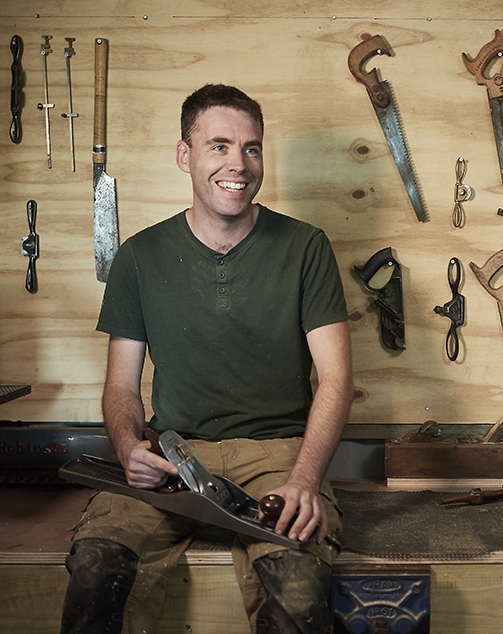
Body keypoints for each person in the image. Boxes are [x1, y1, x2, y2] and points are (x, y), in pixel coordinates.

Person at [60, 84, 354, 634]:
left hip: (279, 455)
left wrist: (305, 479)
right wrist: (129, 448)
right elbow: (121, 388)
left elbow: (337, 380)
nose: (237, 165)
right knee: (98, 567)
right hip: (174, 457)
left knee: (297, 587)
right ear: (184, 155)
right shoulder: (139, 257)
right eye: (218, 146)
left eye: (252, 148)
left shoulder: (305, 247)